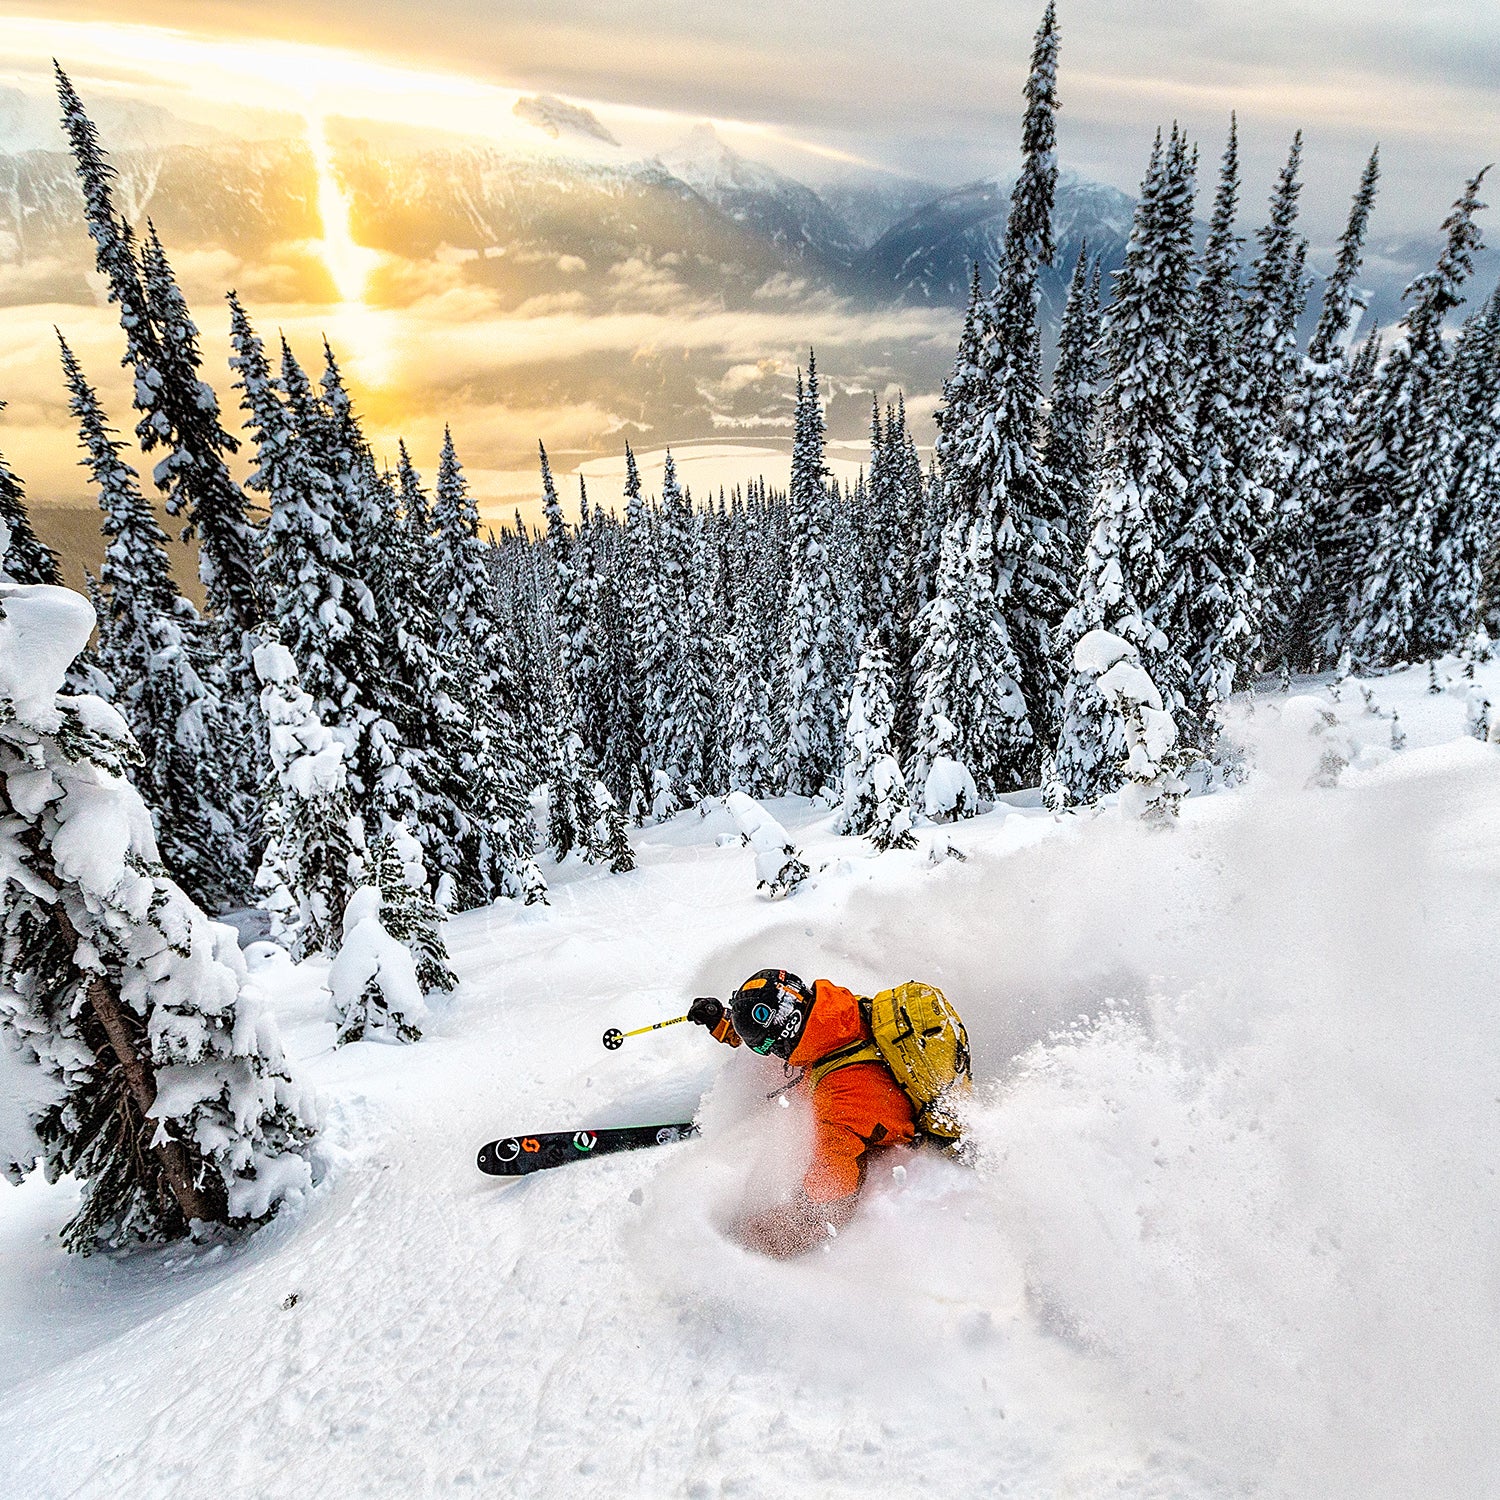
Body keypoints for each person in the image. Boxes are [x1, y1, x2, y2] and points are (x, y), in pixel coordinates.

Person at [688, 969, 920, 1258]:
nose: (770, 1053)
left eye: (767, 1047)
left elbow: (830, 1195)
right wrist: (724, 1021)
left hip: (869, 1121)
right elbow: (775, 1026)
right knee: (772, 1068)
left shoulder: (839, 1103)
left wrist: (749, 1242)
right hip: (844, 1084)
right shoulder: (831, 1016)